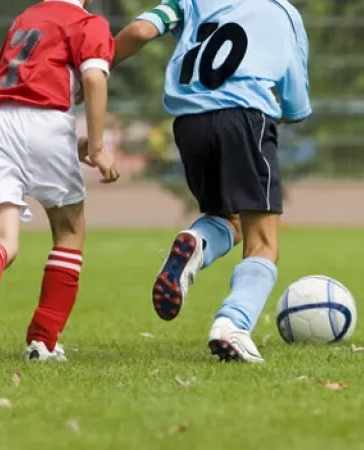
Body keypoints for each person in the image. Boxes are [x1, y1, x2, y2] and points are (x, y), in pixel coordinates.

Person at [114, 0, 311, 362]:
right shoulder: (282, 11)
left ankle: (196, 240)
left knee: (226, 219)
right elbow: (295, 104)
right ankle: (232, 324)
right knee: (264, 242)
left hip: (189, 123)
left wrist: (96, 67)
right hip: (245, 116)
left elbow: (141, 30)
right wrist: (288, 113)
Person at [0, 0, 119, 361]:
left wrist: (71, 145)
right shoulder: (89, 23)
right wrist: (99, 145)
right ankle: (43, 342)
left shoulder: (25, 18)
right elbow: (93, 78)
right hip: (45, 121)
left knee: (1, 239)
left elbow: (22, 93)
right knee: (69, 232)